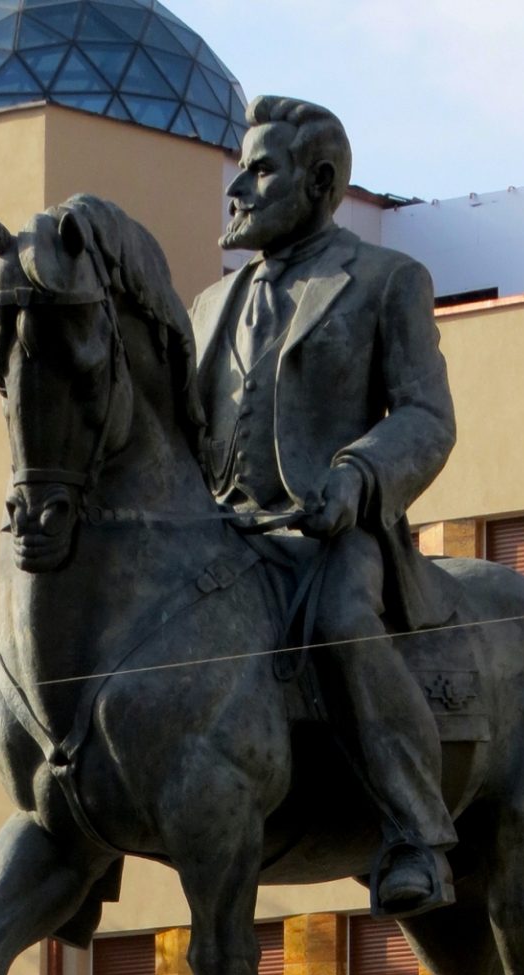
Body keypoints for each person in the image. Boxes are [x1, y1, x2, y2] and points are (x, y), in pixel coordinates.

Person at [190, 94, 459, 916]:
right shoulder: (208, 308)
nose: (238, 189)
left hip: (327, 532)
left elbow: (425, 415)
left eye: (261, 170)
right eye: (239, 169)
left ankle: (419, 830)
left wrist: (355, 478)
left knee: (345, 622)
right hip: (223, 538)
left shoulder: (383, 280)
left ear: (322, 182)